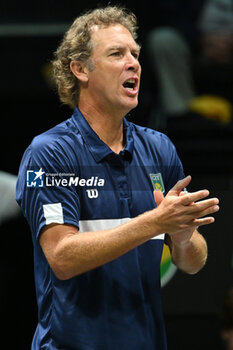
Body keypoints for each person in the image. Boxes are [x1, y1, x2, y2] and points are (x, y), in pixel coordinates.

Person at [16, 6, 220, 350]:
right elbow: (62, 258)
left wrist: (184, 237)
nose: (133, 63)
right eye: (116, 53)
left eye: (135, 54)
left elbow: (193, 262)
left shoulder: (159, 149)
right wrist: (155, 222)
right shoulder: (50, 153)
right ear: (80, 69)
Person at [147, 0, 233, 128]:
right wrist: (200, 39)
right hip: (195, 46)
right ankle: (181, 115)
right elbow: (168, 15)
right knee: (163, 40)